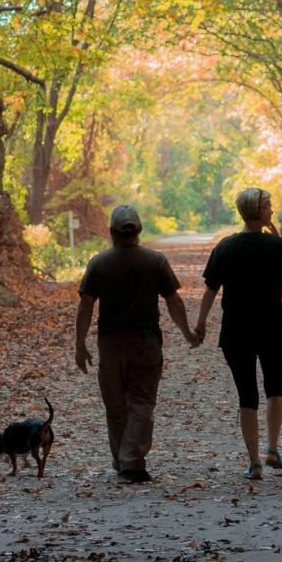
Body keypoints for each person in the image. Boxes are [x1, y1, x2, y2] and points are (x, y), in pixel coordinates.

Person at [75, 204, 199, 483]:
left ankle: (124, 459)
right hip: (146, 343)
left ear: (111, 232)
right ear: (139, 231)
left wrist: (79, 344)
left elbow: (85, 306)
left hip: (110, 344)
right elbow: (174, 302)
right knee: (141, 402)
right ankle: (130, 460)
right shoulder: (155, 261)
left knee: (116, 403)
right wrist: (187, 333)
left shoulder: (99, 263)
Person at [194, 186, 282, 480]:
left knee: (246, 395)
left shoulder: (225, 247)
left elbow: (210, 290)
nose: (273, 210)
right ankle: (273, 449)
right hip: (272, 326)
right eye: (269, 207)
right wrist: (275, 240)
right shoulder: (275, 246)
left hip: (236, 330)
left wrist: (200, 324)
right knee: (274, 387)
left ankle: (254, 462)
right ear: (260, 212)